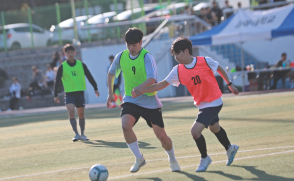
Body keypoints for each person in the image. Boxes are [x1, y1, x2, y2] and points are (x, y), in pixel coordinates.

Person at [132, 37, 239, 172]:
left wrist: (229, 84)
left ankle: (205, 158)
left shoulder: (205, 61)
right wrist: (143, 90)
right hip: (202, 105)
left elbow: (220, 69)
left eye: (178, 53)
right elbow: (163, 84)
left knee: (195, 132)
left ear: (187, 51)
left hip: (214, 102)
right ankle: (230, 148)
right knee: (214, 128)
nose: (176, 57)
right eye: (174, 54)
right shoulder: (178, 70)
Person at [106, 27, 180, 173]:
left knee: (161, 136)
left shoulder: (147, 57)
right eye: (128, 45)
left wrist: (141, 88)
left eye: (134, 45)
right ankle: (139, 158)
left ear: (141, 42)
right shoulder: (121, 56)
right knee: (125, 125)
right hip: (131, 100)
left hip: (149, 101)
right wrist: (110, 93)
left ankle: (172, 159)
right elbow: (111, 74)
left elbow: (152, 78)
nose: (131, 48)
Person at [54, 44, 100, 142]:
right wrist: (55, 94)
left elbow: (89, 76)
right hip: (69, 94)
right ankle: (76, 134)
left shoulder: (81, 65)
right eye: (68, 52)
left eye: (71, 52)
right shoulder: (62, 67)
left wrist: (95, 88)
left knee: (81, 114)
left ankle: (82, 134)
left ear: (75, 53)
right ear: (65, 54)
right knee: (71, 112)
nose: (70, 54)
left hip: (80, 94)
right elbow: (57, 81)